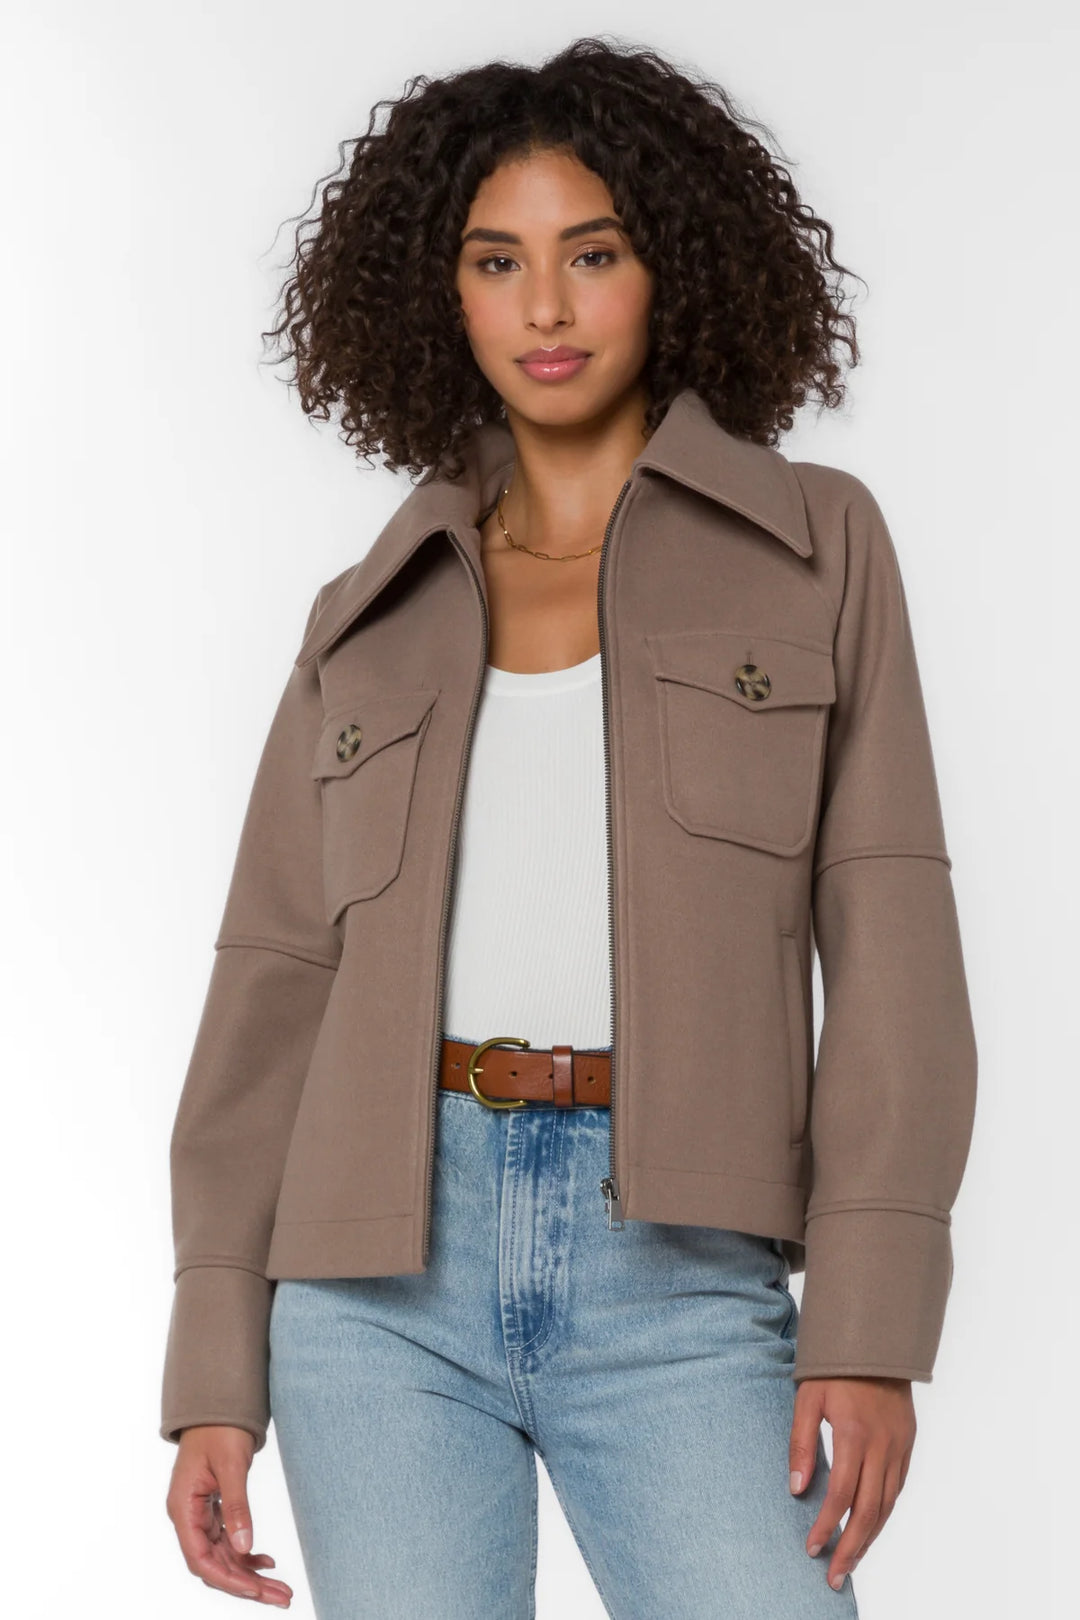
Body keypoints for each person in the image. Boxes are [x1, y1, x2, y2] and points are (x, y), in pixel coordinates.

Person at [161, 36, 977, 1618]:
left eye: (591, 254)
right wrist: (213, 1366)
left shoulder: (818, 547)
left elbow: (893, 946)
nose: (545, 307)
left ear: (672, 266)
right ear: (441, 295)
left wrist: (871, 1324)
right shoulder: (365, 615)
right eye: (498, 262)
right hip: (372, 1289)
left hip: (681, 1280)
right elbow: (271, 988)